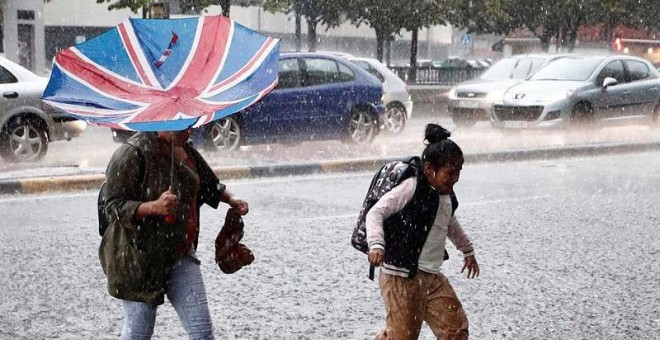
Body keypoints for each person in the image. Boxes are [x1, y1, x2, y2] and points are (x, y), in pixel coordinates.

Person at [99, 128, 249, 340]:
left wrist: (232, 199)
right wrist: (154, 207)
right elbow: (113, 206)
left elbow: (208, 185)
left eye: (192, 124)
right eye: (185, 126)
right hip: (139, 258)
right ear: (164, 123)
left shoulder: (184, 147)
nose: (192, 129)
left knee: (202, 334)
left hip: (180, 253)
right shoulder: (131, 153)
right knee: (138, 334)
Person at [366, 123, 480, 340]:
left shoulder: (445, 194)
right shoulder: (411, 188)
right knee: (402, 336)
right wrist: (376, 244)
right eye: (450, 172)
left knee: (455, 330)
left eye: (459, 172)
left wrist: (467, 250)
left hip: (432, 278)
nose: (456, 178)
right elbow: (376, 212)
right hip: (401, 278)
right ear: (429, 169)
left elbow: (449, 222)